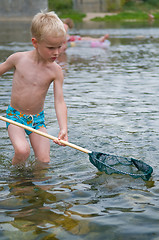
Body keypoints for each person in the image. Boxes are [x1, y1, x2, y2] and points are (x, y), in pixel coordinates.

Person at [0, 11, 68, 165]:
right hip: (15, 117)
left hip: (37, 121)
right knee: (22, 151)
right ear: (35, 43)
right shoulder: (18, 59)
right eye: (51, 48)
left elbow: (59, 101)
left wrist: (63, 128)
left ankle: (39, 187)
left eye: (59, 46)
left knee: (44, 161)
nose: (56, 52)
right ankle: (16, 181)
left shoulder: (55, 70)